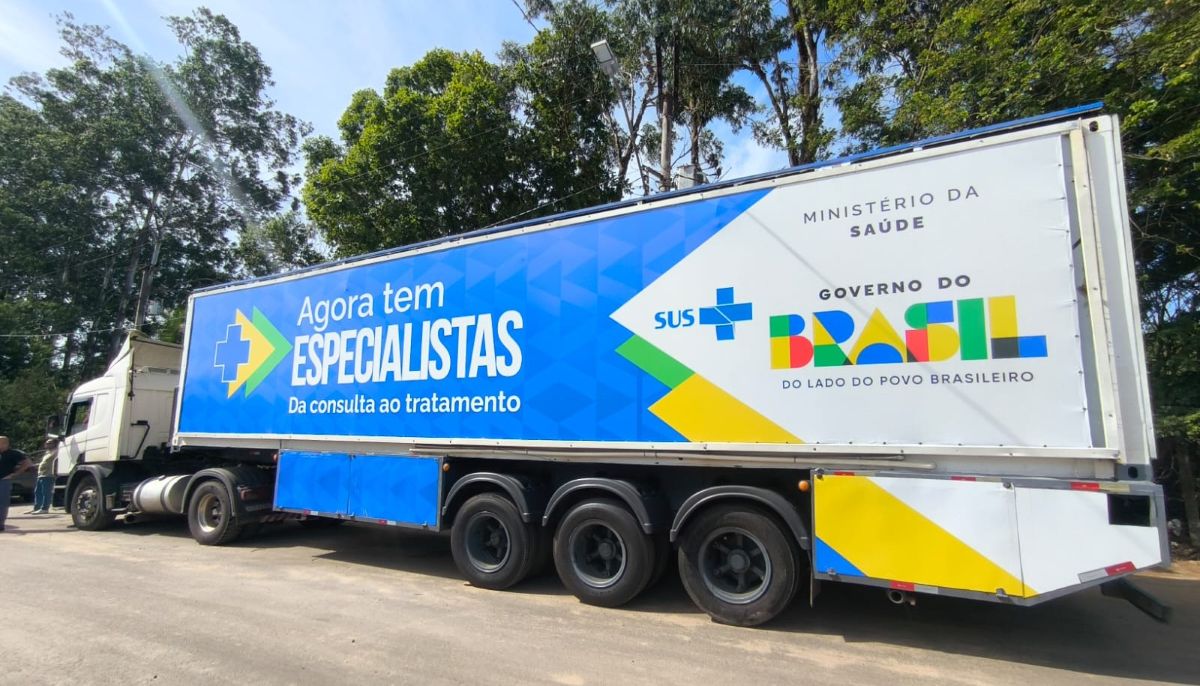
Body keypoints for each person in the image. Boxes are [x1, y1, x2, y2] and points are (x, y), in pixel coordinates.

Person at [0, 435, 34, 532]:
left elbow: (27, 463)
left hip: (4, 480)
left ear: (5, 444)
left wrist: (15, 474)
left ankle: (0, 524)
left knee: (2, 503)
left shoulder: (13, 453)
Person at [28, 438, 58, 514]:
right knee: (37, 492)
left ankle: (44, 508)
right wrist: (35, 465)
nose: (47, 444)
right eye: (47, 443)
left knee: (46, 492)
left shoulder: (57, 451)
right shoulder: (47, 453)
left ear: (55, 444)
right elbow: (44, 463)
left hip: (48, 474)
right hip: (41, 474)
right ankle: (37, 508)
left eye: (50, 443)